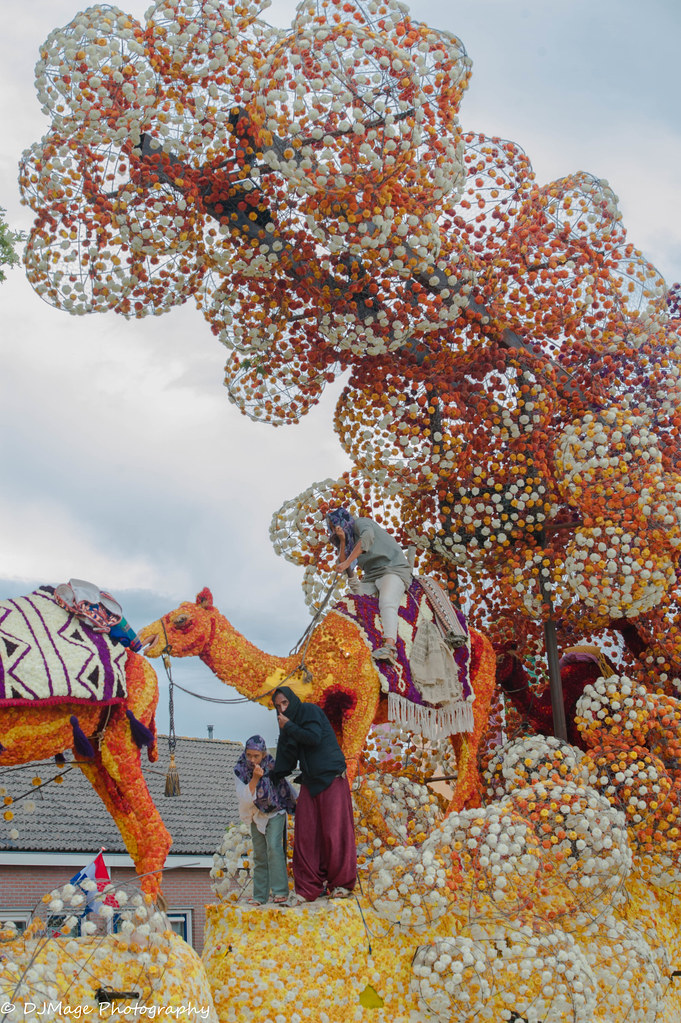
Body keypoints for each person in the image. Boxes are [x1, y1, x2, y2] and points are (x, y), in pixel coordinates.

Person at [270, 686, 357, 903]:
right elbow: (287, 755)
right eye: (278, 706)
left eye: (285, 703)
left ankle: (340, 885)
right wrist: (270, 776)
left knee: (334, 832)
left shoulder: (309, 711)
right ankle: (307, 888)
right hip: (310, 780)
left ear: (293, 700)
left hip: (331, 776)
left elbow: (314, 737)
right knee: (305, 834)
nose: (282, 708)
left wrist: (289, 726)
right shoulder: (287, 725)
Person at [327, 507, 412, 665]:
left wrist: (346, 562)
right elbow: (347, 567)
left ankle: (390, 647)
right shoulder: (350, 542)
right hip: (371, 576)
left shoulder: (361, 523)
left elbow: (368, 537)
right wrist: (343, 541)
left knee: (386, 601)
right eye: (332, 529)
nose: (334, 530)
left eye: (335, 526)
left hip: (393, 568)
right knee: (355, 600)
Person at [233, 734, 296, 906]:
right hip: (254, 813)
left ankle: (280, 891)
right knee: (260, 854)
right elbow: (244, 798)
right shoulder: (240, 770)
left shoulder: (273, 766)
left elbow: (285, 787)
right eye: (249, 755)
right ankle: (260, 895)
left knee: (274, 848)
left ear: (263, 754)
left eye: (256, 756)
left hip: (276, 811)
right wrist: (255, 778)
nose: (252, 760)